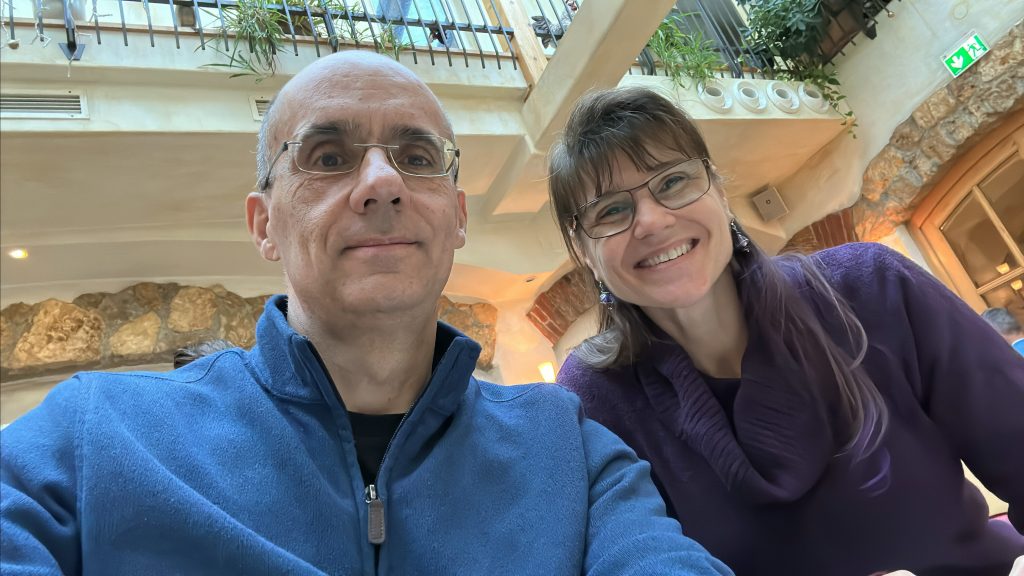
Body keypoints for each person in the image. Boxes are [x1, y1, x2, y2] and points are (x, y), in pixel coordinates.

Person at [0, 54, 732, 575]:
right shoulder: (93, 435)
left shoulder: (573, 450)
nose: (382, 184)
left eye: (417, 156)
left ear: (458, 216)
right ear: (263, 224)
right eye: (327, 157)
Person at [547, 86, 1024, 576]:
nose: (651, 221)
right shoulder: (594, 402)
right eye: (611, 210)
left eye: (672, 181)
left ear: (719, 192)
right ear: (584, 252)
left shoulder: (872, 288)